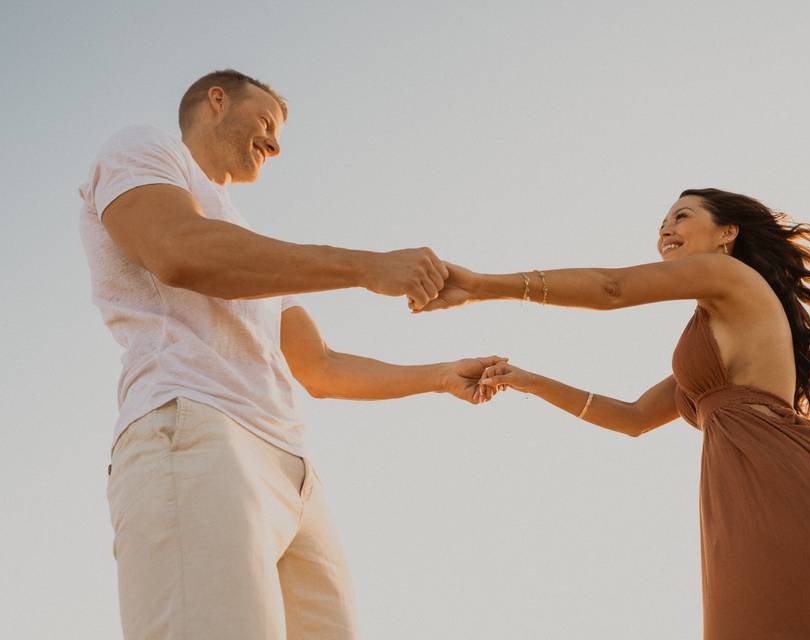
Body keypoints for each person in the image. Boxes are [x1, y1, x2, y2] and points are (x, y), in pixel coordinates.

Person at [419, 188, 810, 639]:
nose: (665, 231)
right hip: (747, 484)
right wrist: (534, 383)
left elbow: (612, 289)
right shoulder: (714, 339)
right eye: (661, 224)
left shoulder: (732, 280)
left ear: (727, 234)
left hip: (773, 482)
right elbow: (631, 417)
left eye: (682, 216)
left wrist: (482, 286)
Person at [79, 69, 502, 639]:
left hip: (296, 475)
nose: (275, 144)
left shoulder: (253, 245)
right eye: (267, 122)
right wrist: (367, 266)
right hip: (197, 430)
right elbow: (176, 252)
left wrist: (438, 375)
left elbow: (320, 367)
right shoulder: (144, 149)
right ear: (217, 100)